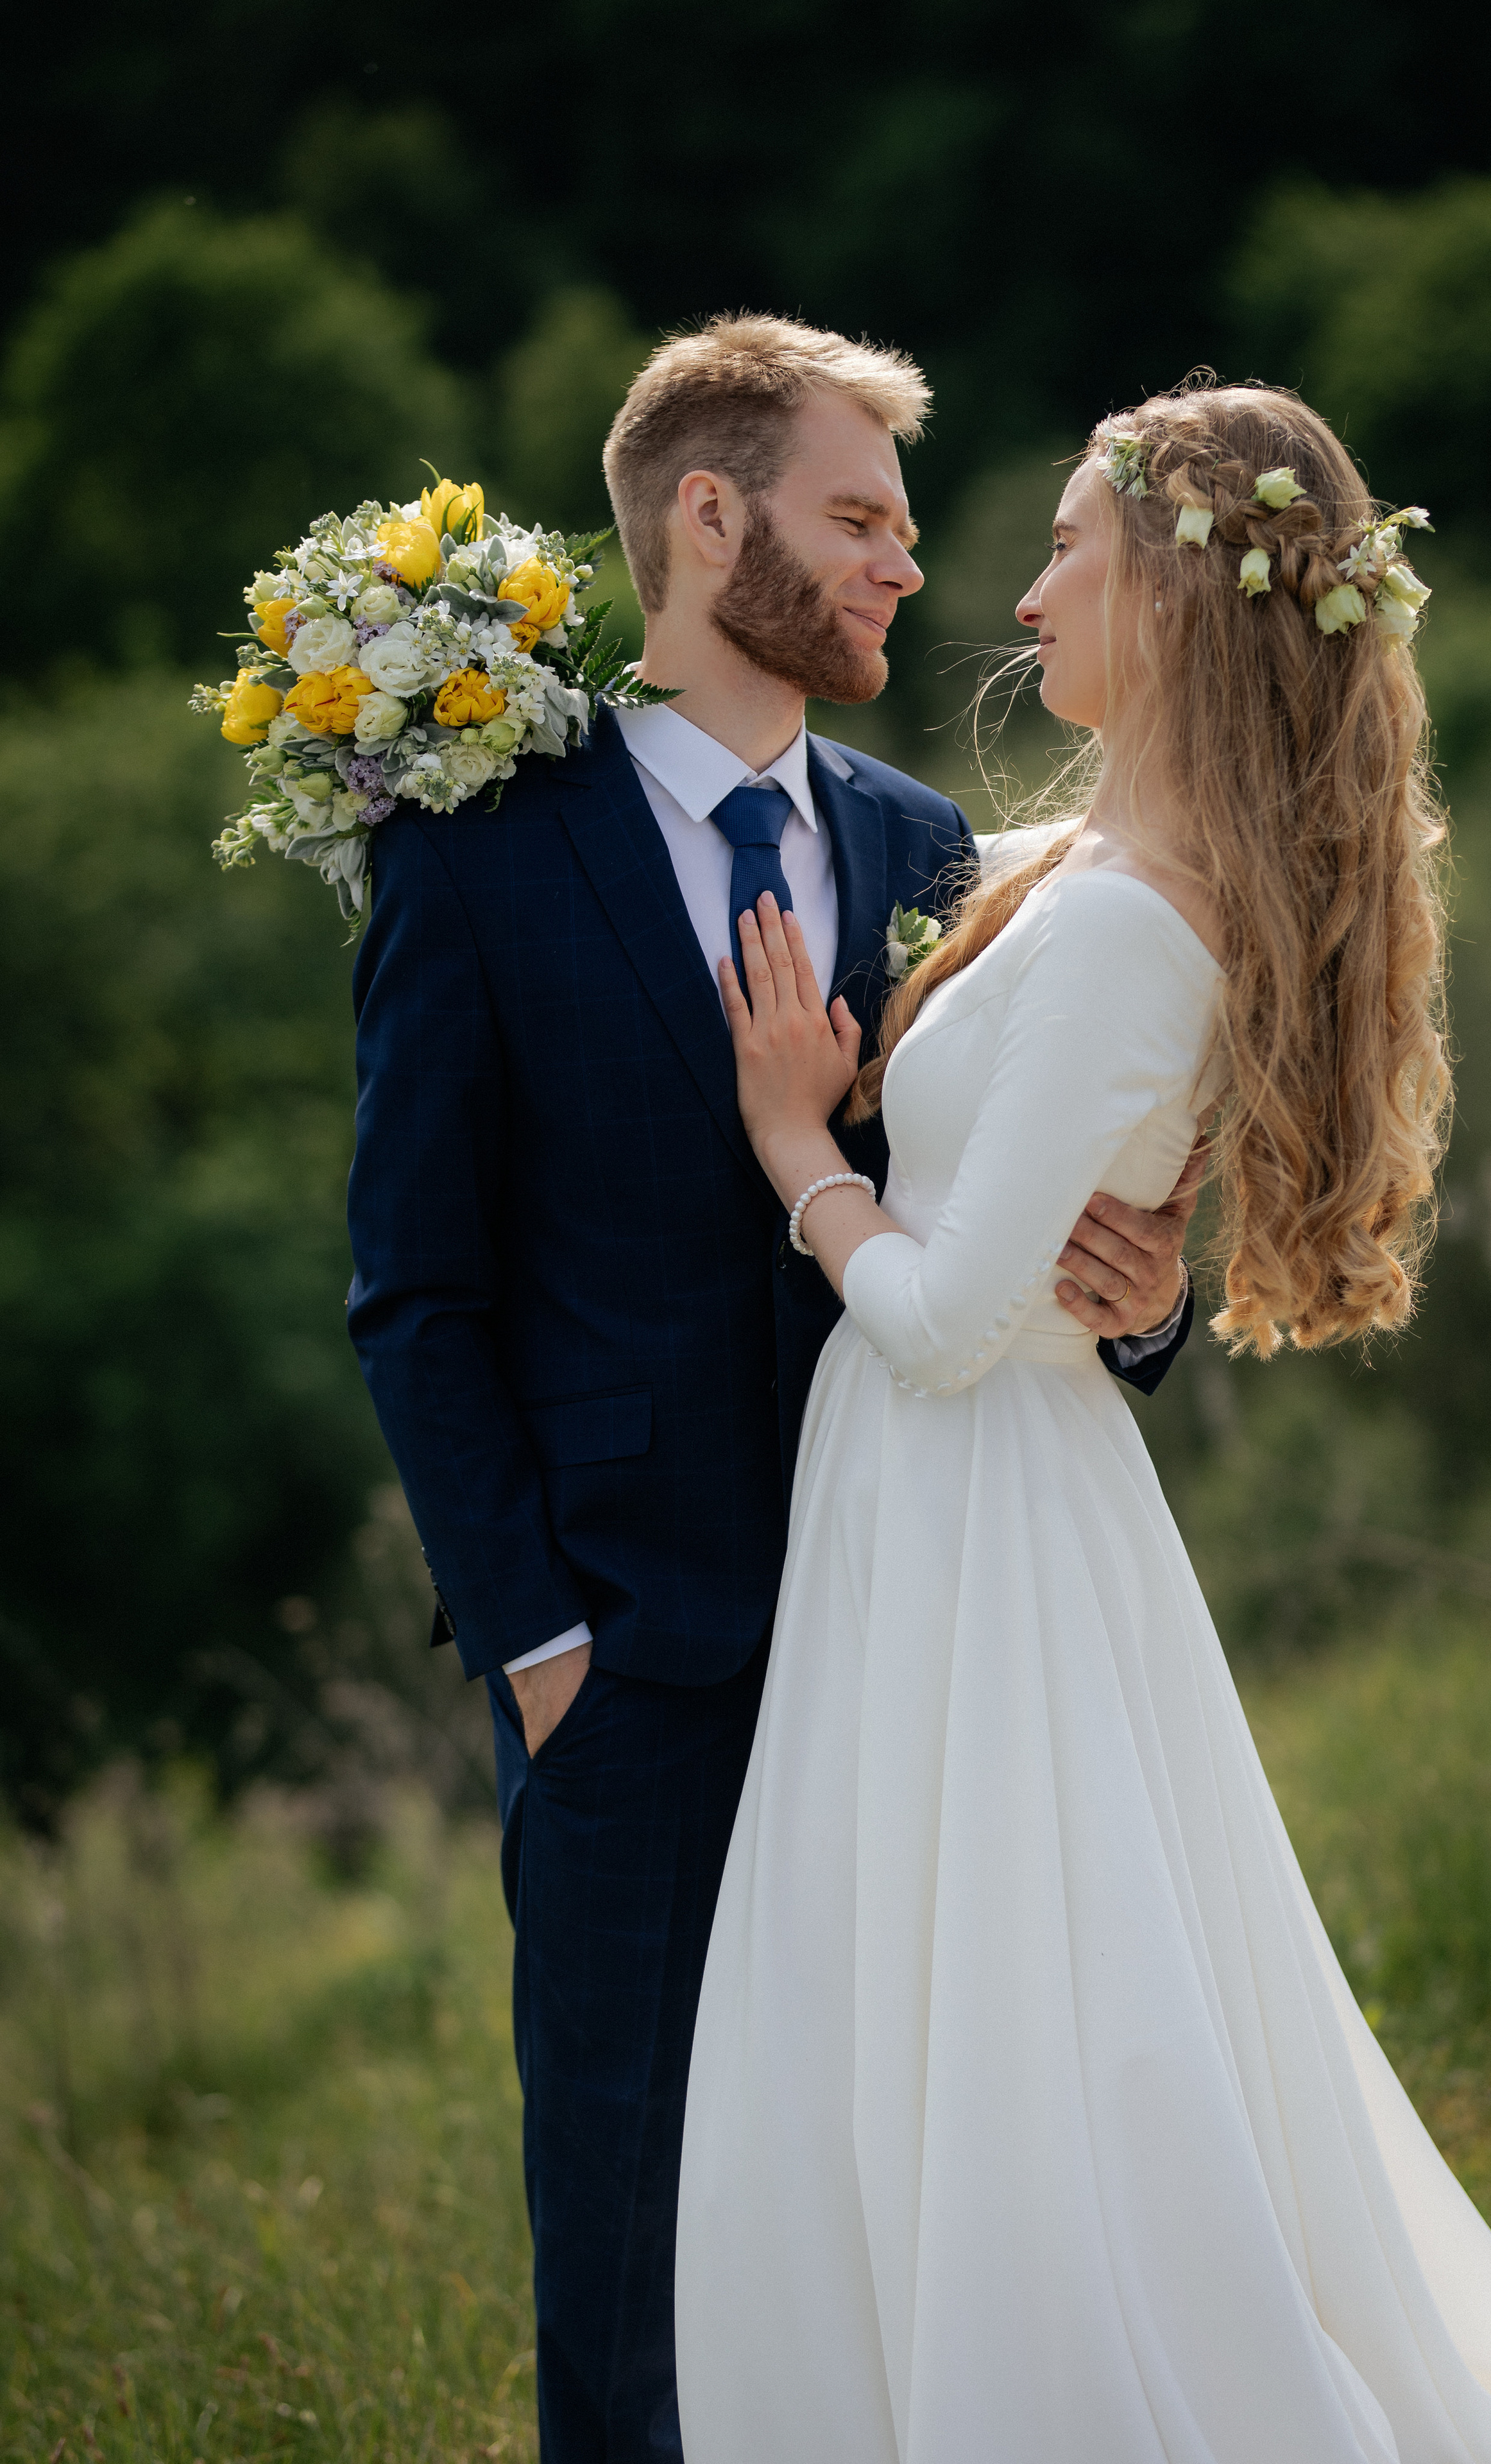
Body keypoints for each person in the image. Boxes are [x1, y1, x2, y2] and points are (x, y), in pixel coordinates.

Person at [676, 382, 1491, 2463]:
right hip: (956, 1499)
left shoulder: (1125, 921)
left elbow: (939, 1320)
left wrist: (792, 1140)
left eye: (1066, 555)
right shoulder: (1071, 866)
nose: (1019, 597)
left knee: (1015, 2002)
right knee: (968, 1992)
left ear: (1182, 607)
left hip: (967, 1493)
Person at [344, 314, 1202, 2464]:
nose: (910, 569)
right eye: (857, 520)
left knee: (910, 2227)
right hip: (638, 1666)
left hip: (934, 1657)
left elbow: (1039, 1213)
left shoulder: (941, 849)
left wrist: (1150, 1293)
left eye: (908, 530)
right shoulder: (479, 849)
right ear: (705, 520)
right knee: (633, 2258)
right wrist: (541, 1644)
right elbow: (416, 1293)